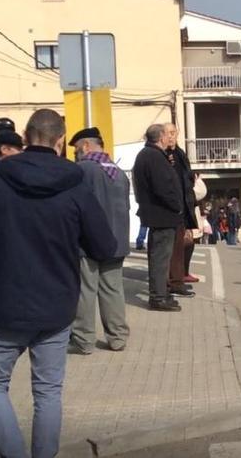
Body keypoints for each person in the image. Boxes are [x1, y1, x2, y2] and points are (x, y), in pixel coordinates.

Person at [0, 109, 116, 457]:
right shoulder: (76, 180)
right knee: (48, 392)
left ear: (25, 135)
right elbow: (103, 246)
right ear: (61, 140)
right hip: (57, 303)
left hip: (5, 301)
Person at [68, 128, 131, 355]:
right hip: (118, 241)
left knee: (86, 289)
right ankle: (117, 337)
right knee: (113, 290)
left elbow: (74, 206)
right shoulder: (119, 172)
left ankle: (84, 340)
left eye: (76, 150)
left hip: (88, 241)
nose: (76, 154)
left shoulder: (83, 169)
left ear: (85, 146)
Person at [132, 123, 184, 312]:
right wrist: (177, 207)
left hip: (159, 215)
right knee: (160, 258)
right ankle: (158, 297)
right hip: (162, 216)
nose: (169, 137)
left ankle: (162, 292)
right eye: (166, 134)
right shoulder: (153, 156)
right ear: (160, 137)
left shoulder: (149, 155)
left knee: (161, 257)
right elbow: (163, 188)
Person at [165, 126, 197, 297]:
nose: (170, 137)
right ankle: (171, 282)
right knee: (170, 248)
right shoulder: (162, 155)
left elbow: (186, 178)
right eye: (168, 133)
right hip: (169, 209)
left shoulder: (180, 154)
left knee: (182, 245)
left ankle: (178, 279)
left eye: (173, 133)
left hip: (183, 207)